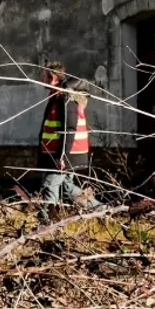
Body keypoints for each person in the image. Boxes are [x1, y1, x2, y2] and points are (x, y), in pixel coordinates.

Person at [37, 64, 102, 220]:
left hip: (65, 155)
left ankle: (45, 223)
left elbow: (70, 129)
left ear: (53, 79)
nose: (42, 79)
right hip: (60, 154)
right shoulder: (56, 97)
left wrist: (63, 157)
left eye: (45, 76)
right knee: (67, 188)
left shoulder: (65, 99)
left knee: (50, 186)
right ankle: (101, 209)